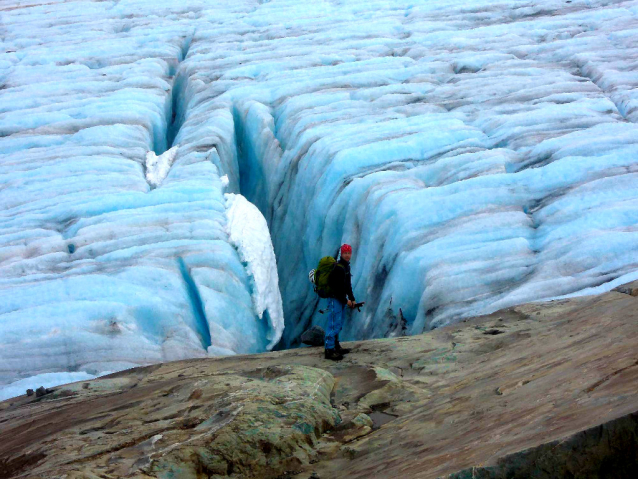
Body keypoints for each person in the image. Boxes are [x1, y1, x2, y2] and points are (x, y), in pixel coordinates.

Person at [325, 244, 356, 360]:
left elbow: (347, 285)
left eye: (349, 253)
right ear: (341, 254)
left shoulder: (346, 267)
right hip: (334, 299)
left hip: (340, 299)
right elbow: (336, 289)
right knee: (334, 323)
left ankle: (336, 346)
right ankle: (329, 349)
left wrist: (352, 298)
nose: (347, 255)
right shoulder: (338, 268)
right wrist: (346, 301)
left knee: (339, 323)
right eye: (345, 253)